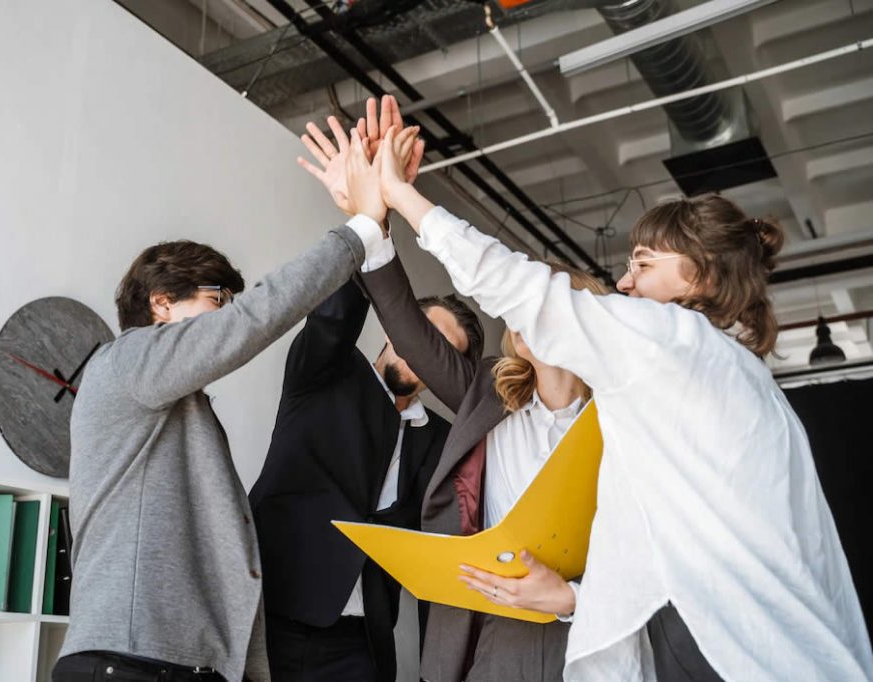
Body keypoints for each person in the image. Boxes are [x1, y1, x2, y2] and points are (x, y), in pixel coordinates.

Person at [344, 118, 873, 680]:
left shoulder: (676, 344)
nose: (626, 284)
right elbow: (659, 555)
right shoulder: (699, 387)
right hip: (685, 635)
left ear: (704, 278)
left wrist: (398, 193)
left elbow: (522, 288)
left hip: (719, 645)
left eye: (644, 264)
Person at [53, 217, 389, 682]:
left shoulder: (169, 400)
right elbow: (253, 320)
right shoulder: (127, 360)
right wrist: (360, 233)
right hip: (133, 660)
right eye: (217, 300)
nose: (228, 313)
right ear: (162, 303)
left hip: (171, 660)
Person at [252, 98, 484, 682]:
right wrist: (373, 214)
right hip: (274, 613)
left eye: (441, 351)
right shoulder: (327, 372)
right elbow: (333, 314)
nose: (420, 351)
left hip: (363, 642)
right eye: (418, 331)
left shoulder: (444, 442)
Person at [361, 251, 608, 682]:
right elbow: (410, 332)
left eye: (540, 305)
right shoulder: (487, 392)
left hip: (577, 629)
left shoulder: (618, 420)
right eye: (519, 304)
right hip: (482, 627)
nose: (521, 315)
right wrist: (372, 232)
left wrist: (574, 599)